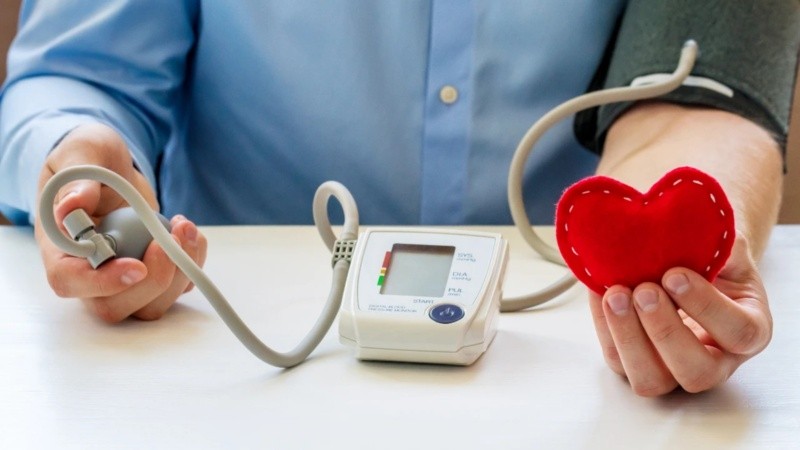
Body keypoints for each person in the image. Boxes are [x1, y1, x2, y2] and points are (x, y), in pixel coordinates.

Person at [1, 0, 798, 396]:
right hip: (207, 347)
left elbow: (699, 94)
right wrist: (77, 161)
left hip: (568, 361)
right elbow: (76, 76)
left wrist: (676, 263)